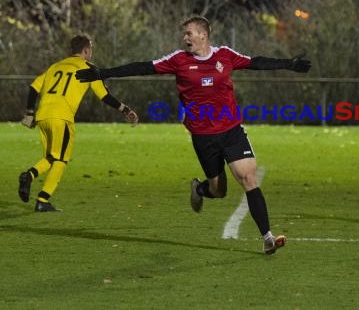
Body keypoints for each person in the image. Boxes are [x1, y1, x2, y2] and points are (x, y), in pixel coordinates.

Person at [76, 15, 311, 254]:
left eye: (188, 33)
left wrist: (289, 63)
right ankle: (199, 189)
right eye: (184, 34)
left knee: (249, 179)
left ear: (202, 35)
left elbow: (256, 62)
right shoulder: (178, 61)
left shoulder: (225, 55)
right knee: (219, 191)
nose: (185, 38)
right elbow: (142, 66)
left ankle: (267, 237)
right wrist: (103, 73)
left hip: (231, 131)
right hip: (203, 137)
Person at [19, 34, 139, 212]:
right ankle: (41, 199)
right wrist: (125, 109)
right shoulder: (89, 68)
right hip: (62, 117)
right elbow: (104, 96)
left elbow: (34, 87)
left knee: (51, 157)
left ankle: (31, 179)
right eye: (90, 49)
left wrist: (30, 112)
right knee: (61, 160)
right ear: (86, 50)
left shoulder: (55, 66)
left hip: (43, 116)